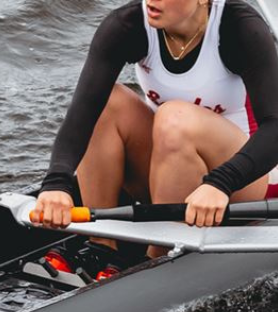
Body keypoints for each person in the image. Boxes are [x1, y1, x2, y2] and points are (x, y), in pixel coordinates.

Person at [32, 0, 278, 260]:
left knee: (174, 117)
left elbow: (274, 129)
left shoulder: (240, 28)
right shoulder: (128, 24)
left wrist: (221, 183)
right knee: (108, 102)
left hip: (247, 183)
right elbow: (82, 113)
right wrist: (56, 182)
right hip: (172, 169)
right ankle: (102, 248)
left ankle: (157, 256)